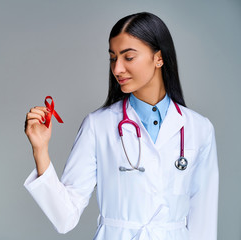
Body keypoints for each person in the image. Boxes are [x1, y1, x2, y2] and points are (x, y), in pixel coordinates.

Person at [23, 12, 218, 240]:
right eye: (113, 58)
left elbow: (203, 221)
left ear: (159, 58)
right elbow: (64, 217)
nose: (117, 69)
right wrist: (40, 150)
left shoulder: (199, 129)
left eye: (128, 57)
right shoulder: (98, 125)